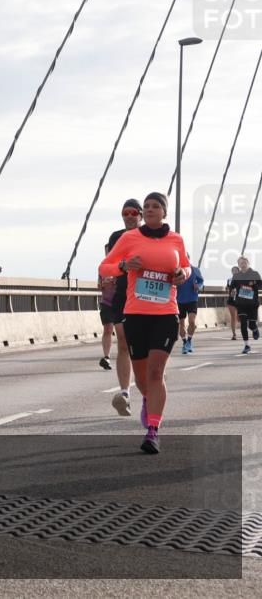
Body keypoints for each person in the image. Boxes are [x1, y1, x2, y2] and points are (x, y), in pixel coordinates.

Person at [100, 192, 190, 454]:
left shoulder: (176, 239)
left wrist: (181, 274)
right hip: (136, 313)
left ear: (164, 212)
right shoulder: (129, 238)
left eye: (155, 206)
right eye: (147, 206)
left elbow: (186, 267)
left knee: (155, 372)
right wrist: (125, 265)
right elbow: (106, 267)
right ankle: (148, 400)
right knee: (141, 378)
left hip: (165, 313)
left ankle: (153, 430)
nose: (150, 210)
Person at [106, 199, 143, 416]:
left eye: (133, 212)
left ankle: (151, 383)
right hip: (122, 294)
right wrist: (118, 268)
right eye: (125, 212)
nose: (129, 216)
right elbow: (109, 263)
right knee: (122, 342)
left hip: (146, 296)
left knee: (144, 346)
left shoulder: (152, 236)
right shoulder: (116, 237)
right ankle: (124, 394)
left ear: (140, 215)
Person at [231, 256, 261, 355]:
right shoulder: (236, 276)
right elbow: (232, 287)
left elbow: (261, 285)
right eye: (241, 263)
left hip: (252, 304)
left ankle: (255, 329)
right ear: (239, 265)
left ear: (248, 263)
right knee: (243, 324)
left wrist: (254, 283)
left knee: (251, 325)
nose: (243, 265)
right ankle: (247, 345)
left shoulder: (254, 274)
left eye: (244, 263)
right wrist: (232, 292)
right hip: (241, 303)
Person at [176, 257, 204, 354]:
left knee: (192, 322)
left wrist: (198, 286)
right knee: (181, 323)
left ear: (188, 259)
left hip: (192, 299)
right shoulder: (176, 270)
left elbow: (201, 281)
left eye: (186, 258)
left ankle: (189, 341)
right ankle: (184, 343)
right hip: (179, 300)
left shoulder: (195, 269)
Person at [97, 264, 116, 371]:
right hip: (106, 303)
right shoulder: (102, 268)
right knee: (108, 329)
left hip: (121, 303)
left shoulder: (123, 266)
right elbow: (98, 286)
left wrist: (116, 281)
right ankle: (106, 357)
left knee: (123, 333)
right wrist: (103, 284)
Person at [226, 266, 240, 340]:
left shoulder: (243, 280)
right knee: (233, 317)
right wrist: (230, 291)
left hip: (240, 301)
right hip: (231, 300)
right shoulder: (229, 280)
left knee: (239, 318)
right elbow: (228, 288)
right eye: (233, 270)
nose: (234, 272)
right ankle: (234, 334)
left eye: (236, 270)